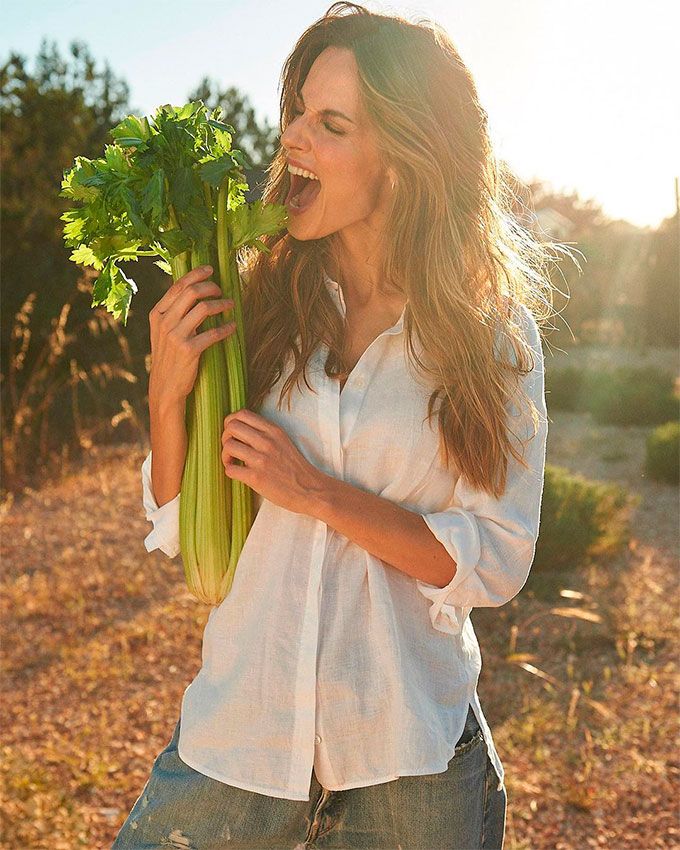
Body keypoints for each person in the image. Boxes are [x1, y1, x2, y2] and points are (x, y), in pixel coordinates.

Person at [113, 2, 559, 848]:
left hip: (406, 755)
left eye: (331, 123)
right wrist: (165, 392)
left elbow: (494, 556)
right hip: (242, 735)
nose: (292, 140)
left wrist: (315, 492)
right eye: (296, 113)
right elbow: (182, 523)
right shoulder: (258, 302)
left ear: (404, 153)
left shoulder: (489, 336)